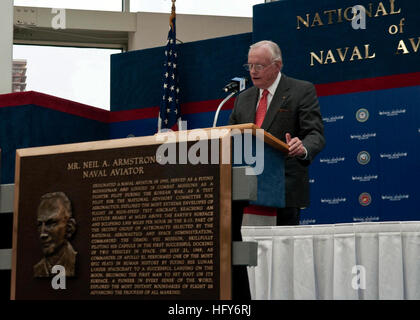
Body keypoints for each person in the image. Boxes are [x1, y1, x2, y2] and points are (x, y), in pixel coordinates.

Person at [229, 40, 325, 226]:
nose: (253, 71)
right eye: (249, 66)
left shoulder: (301, 91)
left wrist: (302, 147)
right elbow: (231, 137)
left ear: (277, 66)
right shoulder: (243, 98)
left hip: (284, 190)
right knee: (247, 252)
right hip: (245, 191)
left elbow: (315, 134)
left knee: (282, 253)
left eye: (259, 66)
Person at [33, 192, 77, 277]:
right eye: (39, 225)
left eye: (51, 224)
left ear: (69, 227)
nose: (42, 234)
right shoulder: (38, 269)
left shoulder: (75, 261)